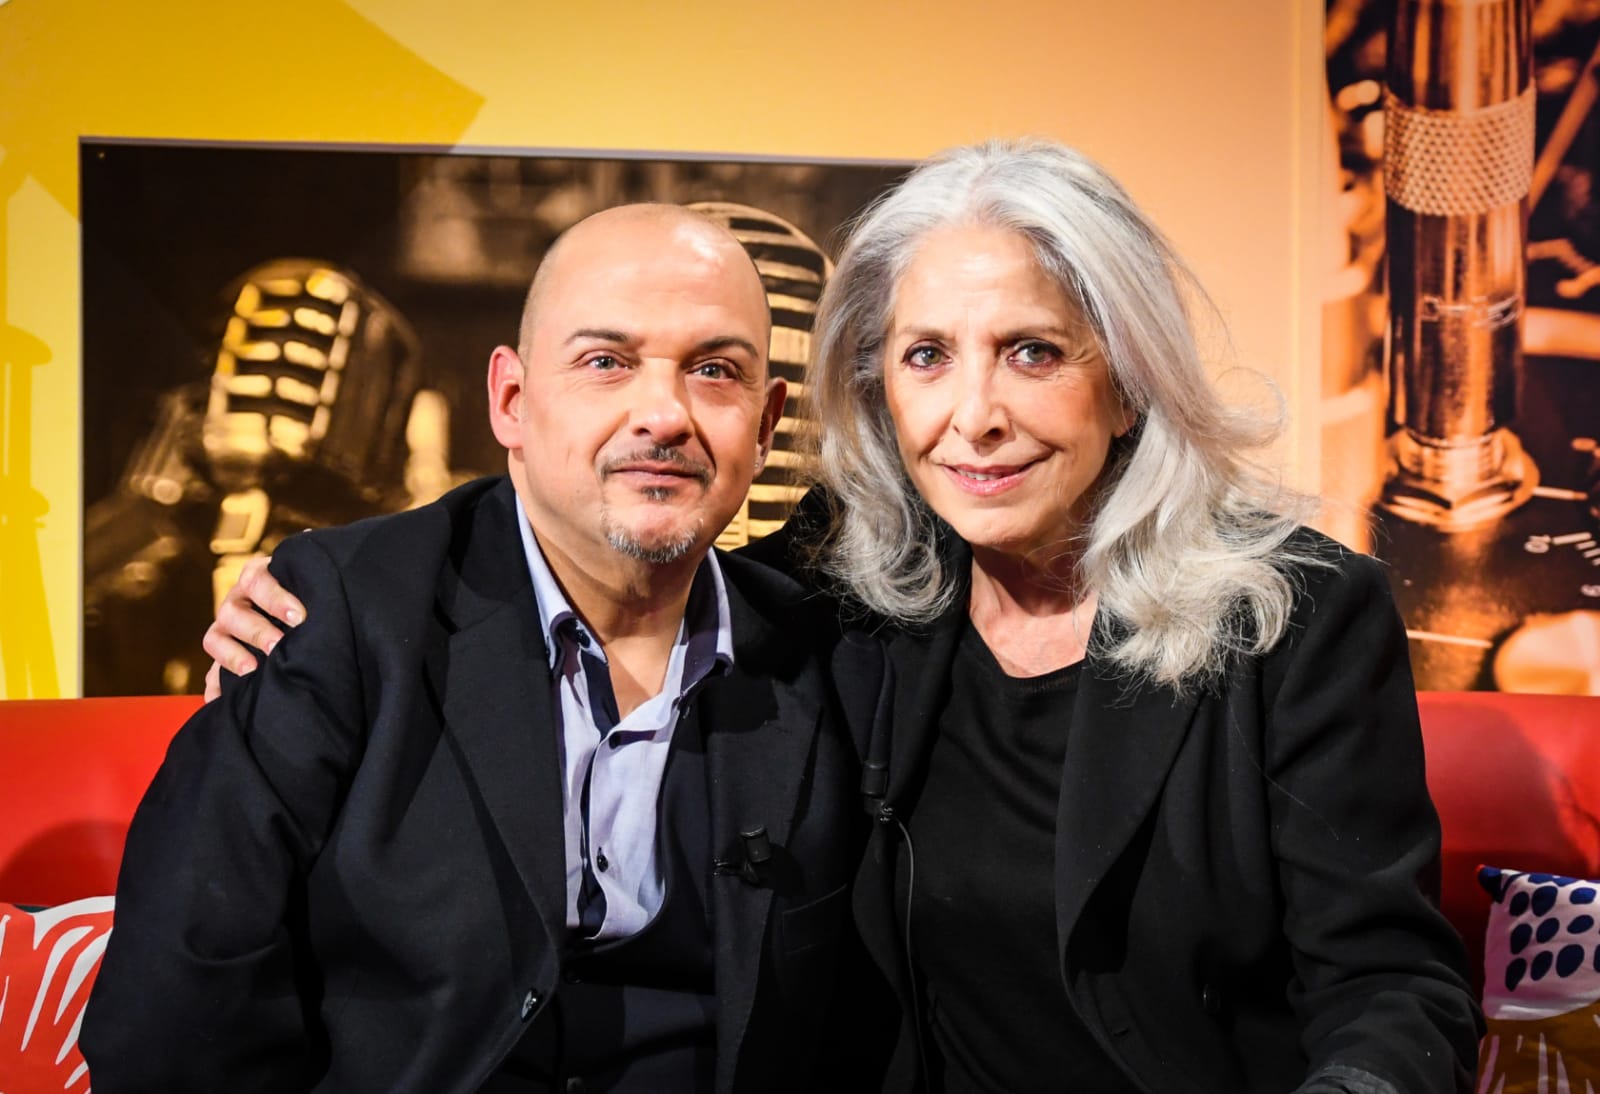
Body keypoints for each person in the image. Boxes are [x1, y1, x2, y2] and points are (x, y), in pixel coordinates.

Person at [204, 140, 1484, 1093]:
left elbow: (1388, 984)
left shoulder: (1293, 614)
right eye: (926, 356)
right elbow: (612, 516)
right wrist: (332, 600)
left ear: (1129, 380)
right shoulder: (859, 579)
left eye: (1032, 351)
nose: (972, 415)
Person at [83, 204, 889, 1094]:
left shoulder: (833, 656)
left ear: (767, 423)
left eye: (714, 371)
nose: (663, 415)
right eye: (606, 362)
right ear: (511, 400)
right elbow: (176, 1008)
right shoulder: (337, 613)